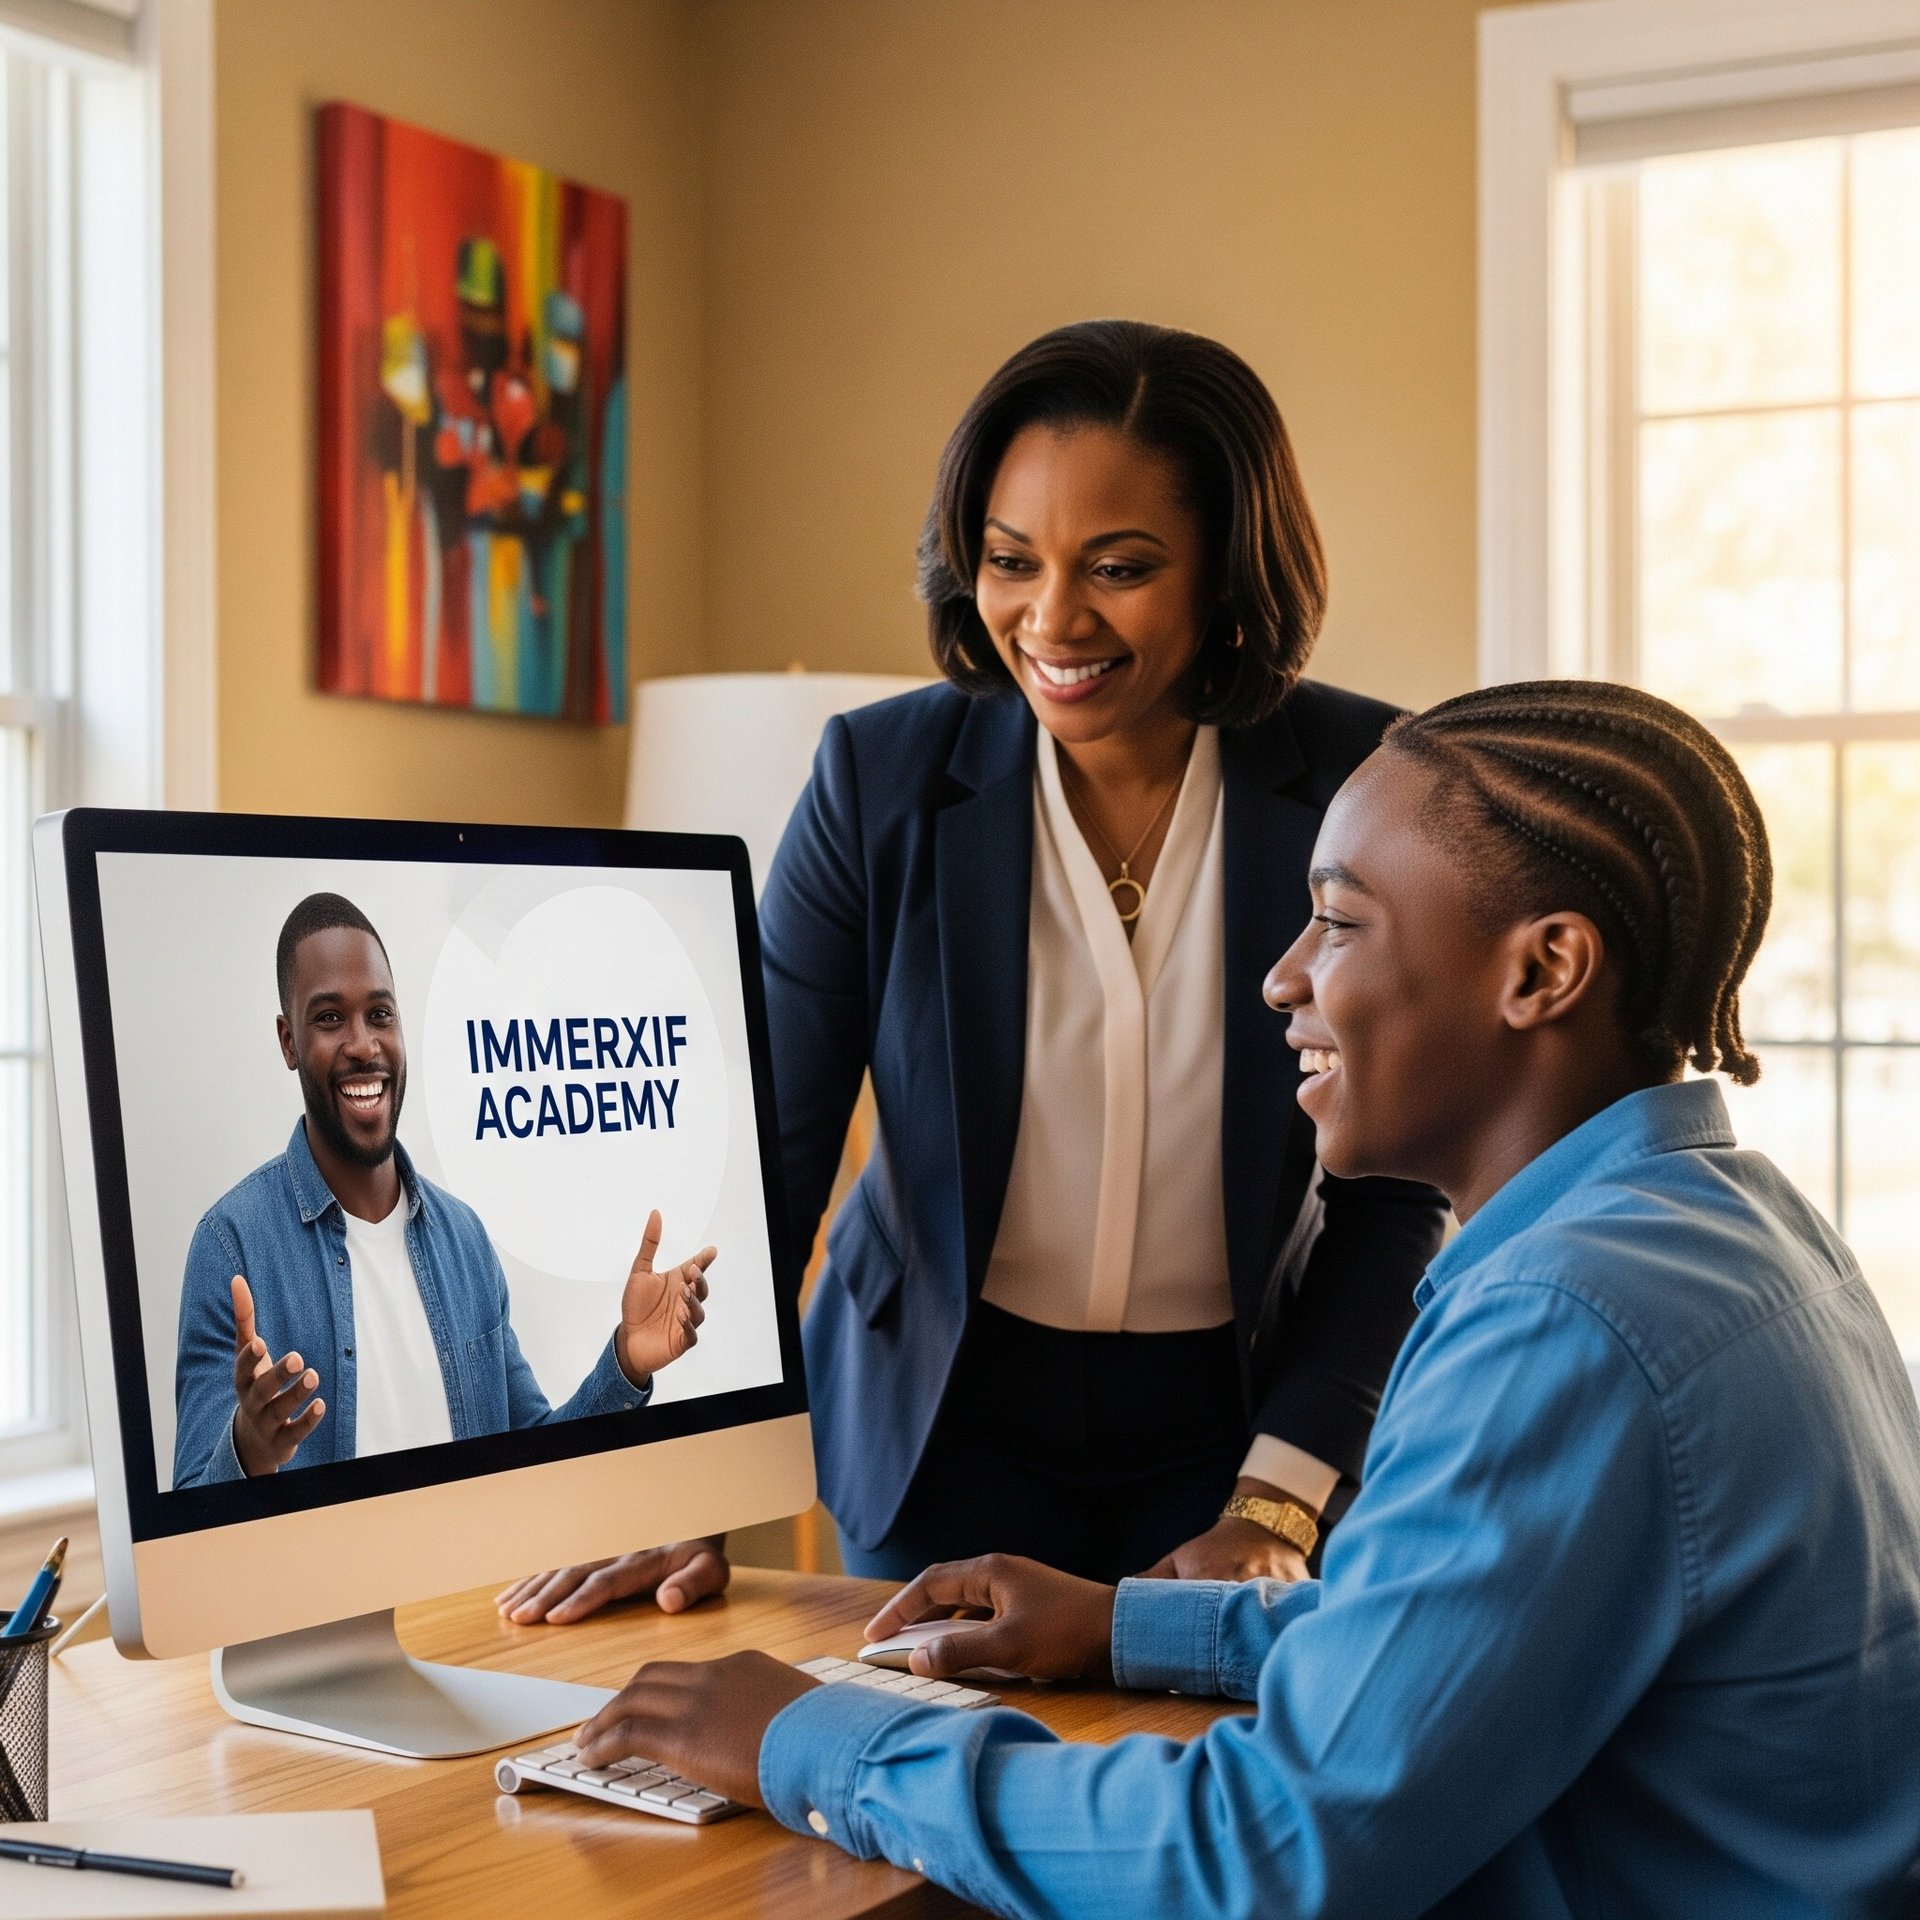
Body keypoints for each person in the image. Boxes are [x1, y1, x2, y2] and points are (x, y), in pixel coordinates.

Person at [564, 680, 1920, 1917]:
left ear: (1540, 971)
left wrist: (810, 1739)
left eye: (1338, 921)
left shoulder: (1568, 1321)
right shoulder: (1728, 1226)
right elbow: (1442, 1635)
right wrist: (1123, 1622)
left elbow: (1268, 1849)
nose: (1282, 976)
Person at [497, 318, 1449, 1626]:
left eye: (1118, 567)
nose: (1051, 619)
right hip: (940, 1416)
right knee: (908, 1808)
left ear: (1226, 571)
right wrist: (682, 1473)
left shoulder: (1364, 784)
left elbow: (1394, 1195)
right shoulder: (877, 781)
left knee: (1191, 1803)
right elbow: (766, 1158)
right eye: (1012, 562)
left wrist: (1276, 1503)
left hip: (1239, 1435)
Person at [171, 892, 714, 1488]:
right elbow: (193, 1514)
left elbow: (534, 1468)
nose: (362, 1045)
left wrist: (628, 1361)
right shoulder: (231, 1247)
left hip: (482, 1583)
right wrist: (249, 1449)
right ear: (288, 1041)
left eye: (380, 1014)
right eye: (329, 1018)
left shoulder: (464, 1239)